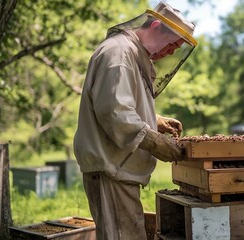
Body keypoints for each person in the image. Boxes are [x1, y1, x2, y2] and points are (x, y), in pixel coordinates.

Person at [73, 1, 197, 239]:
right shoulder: (119, 53)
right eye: (172, 44)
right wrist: (156, 142)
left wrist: (155, 120)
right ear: (156, 26)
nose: (171, 52)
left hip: (117, 168)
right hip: (111, 169)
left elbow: (119, 103)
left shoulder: (129, 52)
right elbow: (114, 113)